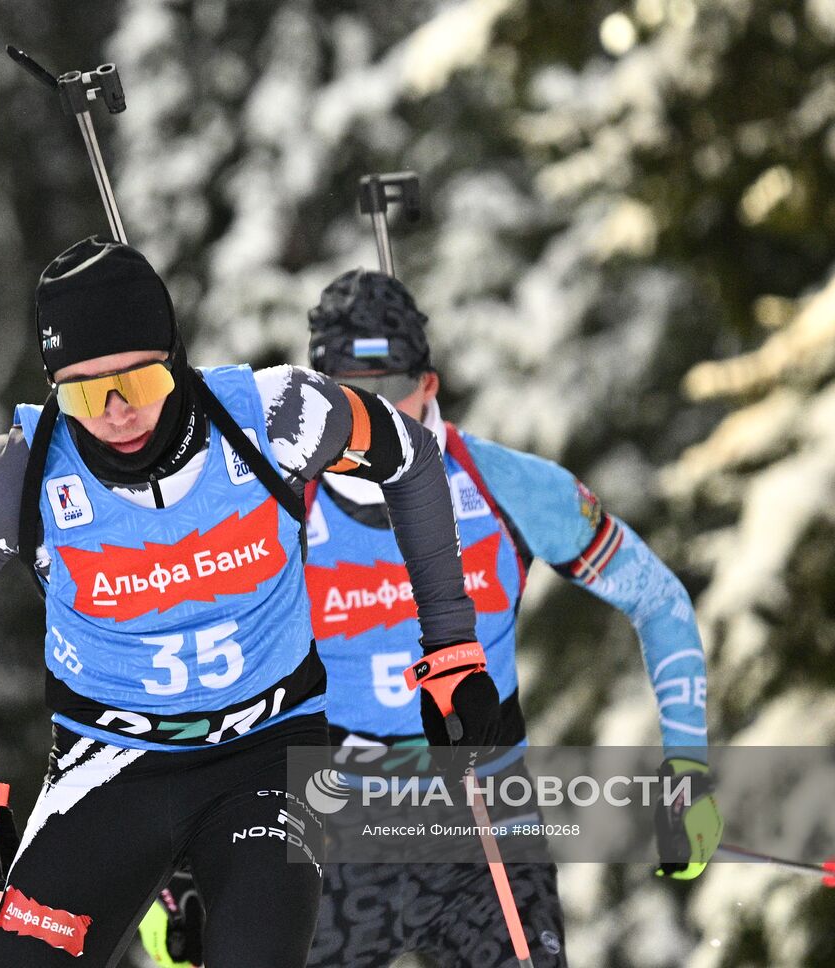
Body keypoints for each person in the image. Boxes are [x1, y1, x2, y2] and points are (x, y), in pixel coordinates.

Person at [0, 239, 504, 968]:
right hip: (109, 763)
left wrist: (450, 648)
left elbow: (410, 458)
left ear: (175, 356)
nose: (116, 415)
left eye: (136, 382)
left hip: (269, 758)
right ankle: (170, 900)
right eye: (84, 394)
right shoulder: (20, 473)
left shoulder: (278, 416)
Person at [140, 269, 723, 968]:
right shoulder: (268, 509)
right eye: (351, 393)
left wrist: (687, 762)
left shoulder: (505, 486)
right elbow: (181, 682)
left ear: (430, 385)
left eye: (393, 388)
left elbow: (657, 598)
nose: (376, 413)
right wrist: (172, 883)